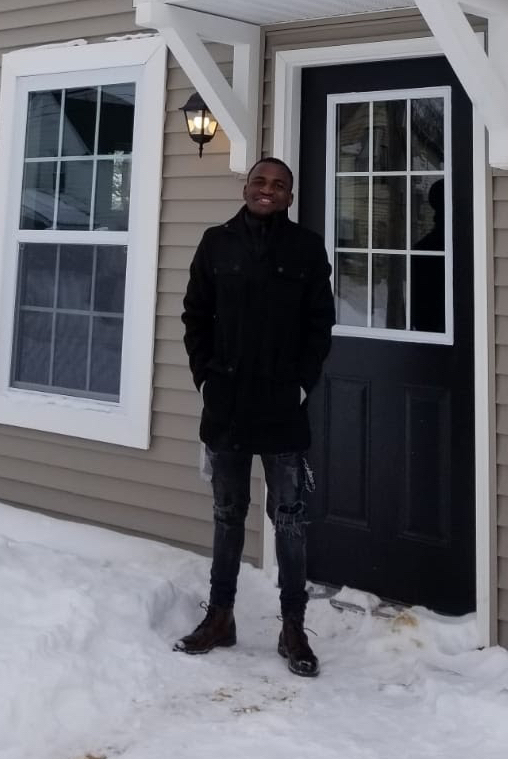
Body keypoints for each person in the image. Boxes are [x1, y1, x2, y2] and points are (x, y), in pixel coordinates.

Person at [176, 156, 335, 677]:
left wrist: (301, 384)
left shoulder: (307, 249)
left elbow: (319, 324)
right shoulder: (215, 242)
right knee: (227, 514)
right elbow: (195, 315)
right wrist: (204, 378)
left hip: (282, 407)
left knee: (290, 520)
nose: (268, 190)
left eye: (279, 185)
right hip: (226, 407)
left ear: (290, 197)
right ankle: (220, 616)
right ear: (246, 187)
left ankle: (293, 627)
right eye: (260, 182)